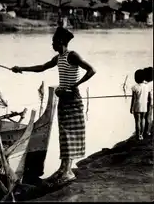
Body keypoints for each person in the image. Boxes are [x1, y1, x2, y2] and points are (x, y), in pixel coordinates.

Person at [11, 26, 96, 186]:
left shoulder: (72, 55)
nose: (52, 45)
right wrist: (20, 68)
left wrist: (74, 85)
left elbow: (91, 70)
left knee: (71, 134)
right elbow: (41, 68)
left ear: (61, 42)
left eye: (53, 42)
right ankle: (62, 169)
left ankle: (68, 172)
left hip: (72, 98)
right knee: (64, 134)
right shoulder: (58, 58)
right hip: (63, 98)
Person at [131, 69, 149, 140]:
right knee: (143, 119)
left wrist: (131, 107)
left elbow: (133, 99)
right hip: (144, 105)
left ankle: (138, 136)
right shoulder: (146, 86)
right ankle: (141, 134)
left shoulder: (135, 87)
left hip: (137, 105)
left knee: (137, 121)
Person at [141, 67, 153, 137]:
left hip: (149, 102)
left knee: (147, 117)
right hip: (151, 102)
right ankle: (148, 131)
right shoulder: (151, 83)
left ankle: (147, 131)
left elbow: (147, 95)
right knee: (150, 117)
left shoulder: (147, 85)